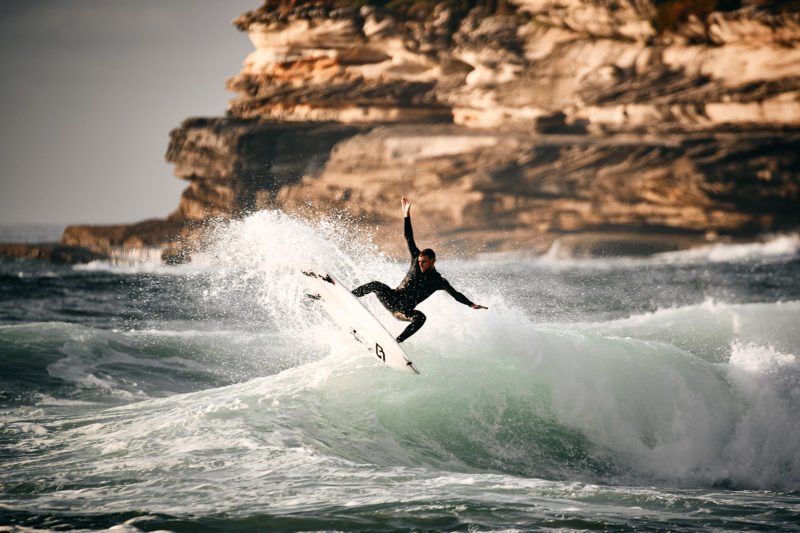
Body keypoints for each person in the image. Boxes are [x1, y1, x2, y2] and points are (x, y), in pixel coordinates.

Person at [352, 196, 488, 343]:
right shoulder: (416, 259)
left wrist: (471, 304)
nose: (421, 264)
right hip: (392, 299)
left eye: (424, 262)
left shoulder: (438, 281)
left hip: (404, 311)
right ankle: (350, 295)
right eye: (420, 261)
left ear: (433, 261)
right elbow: (408, 237)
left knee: (421, 317)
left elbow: (456, 295)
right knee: (375, 285)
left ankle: (397, 341)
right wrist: (406, 215)